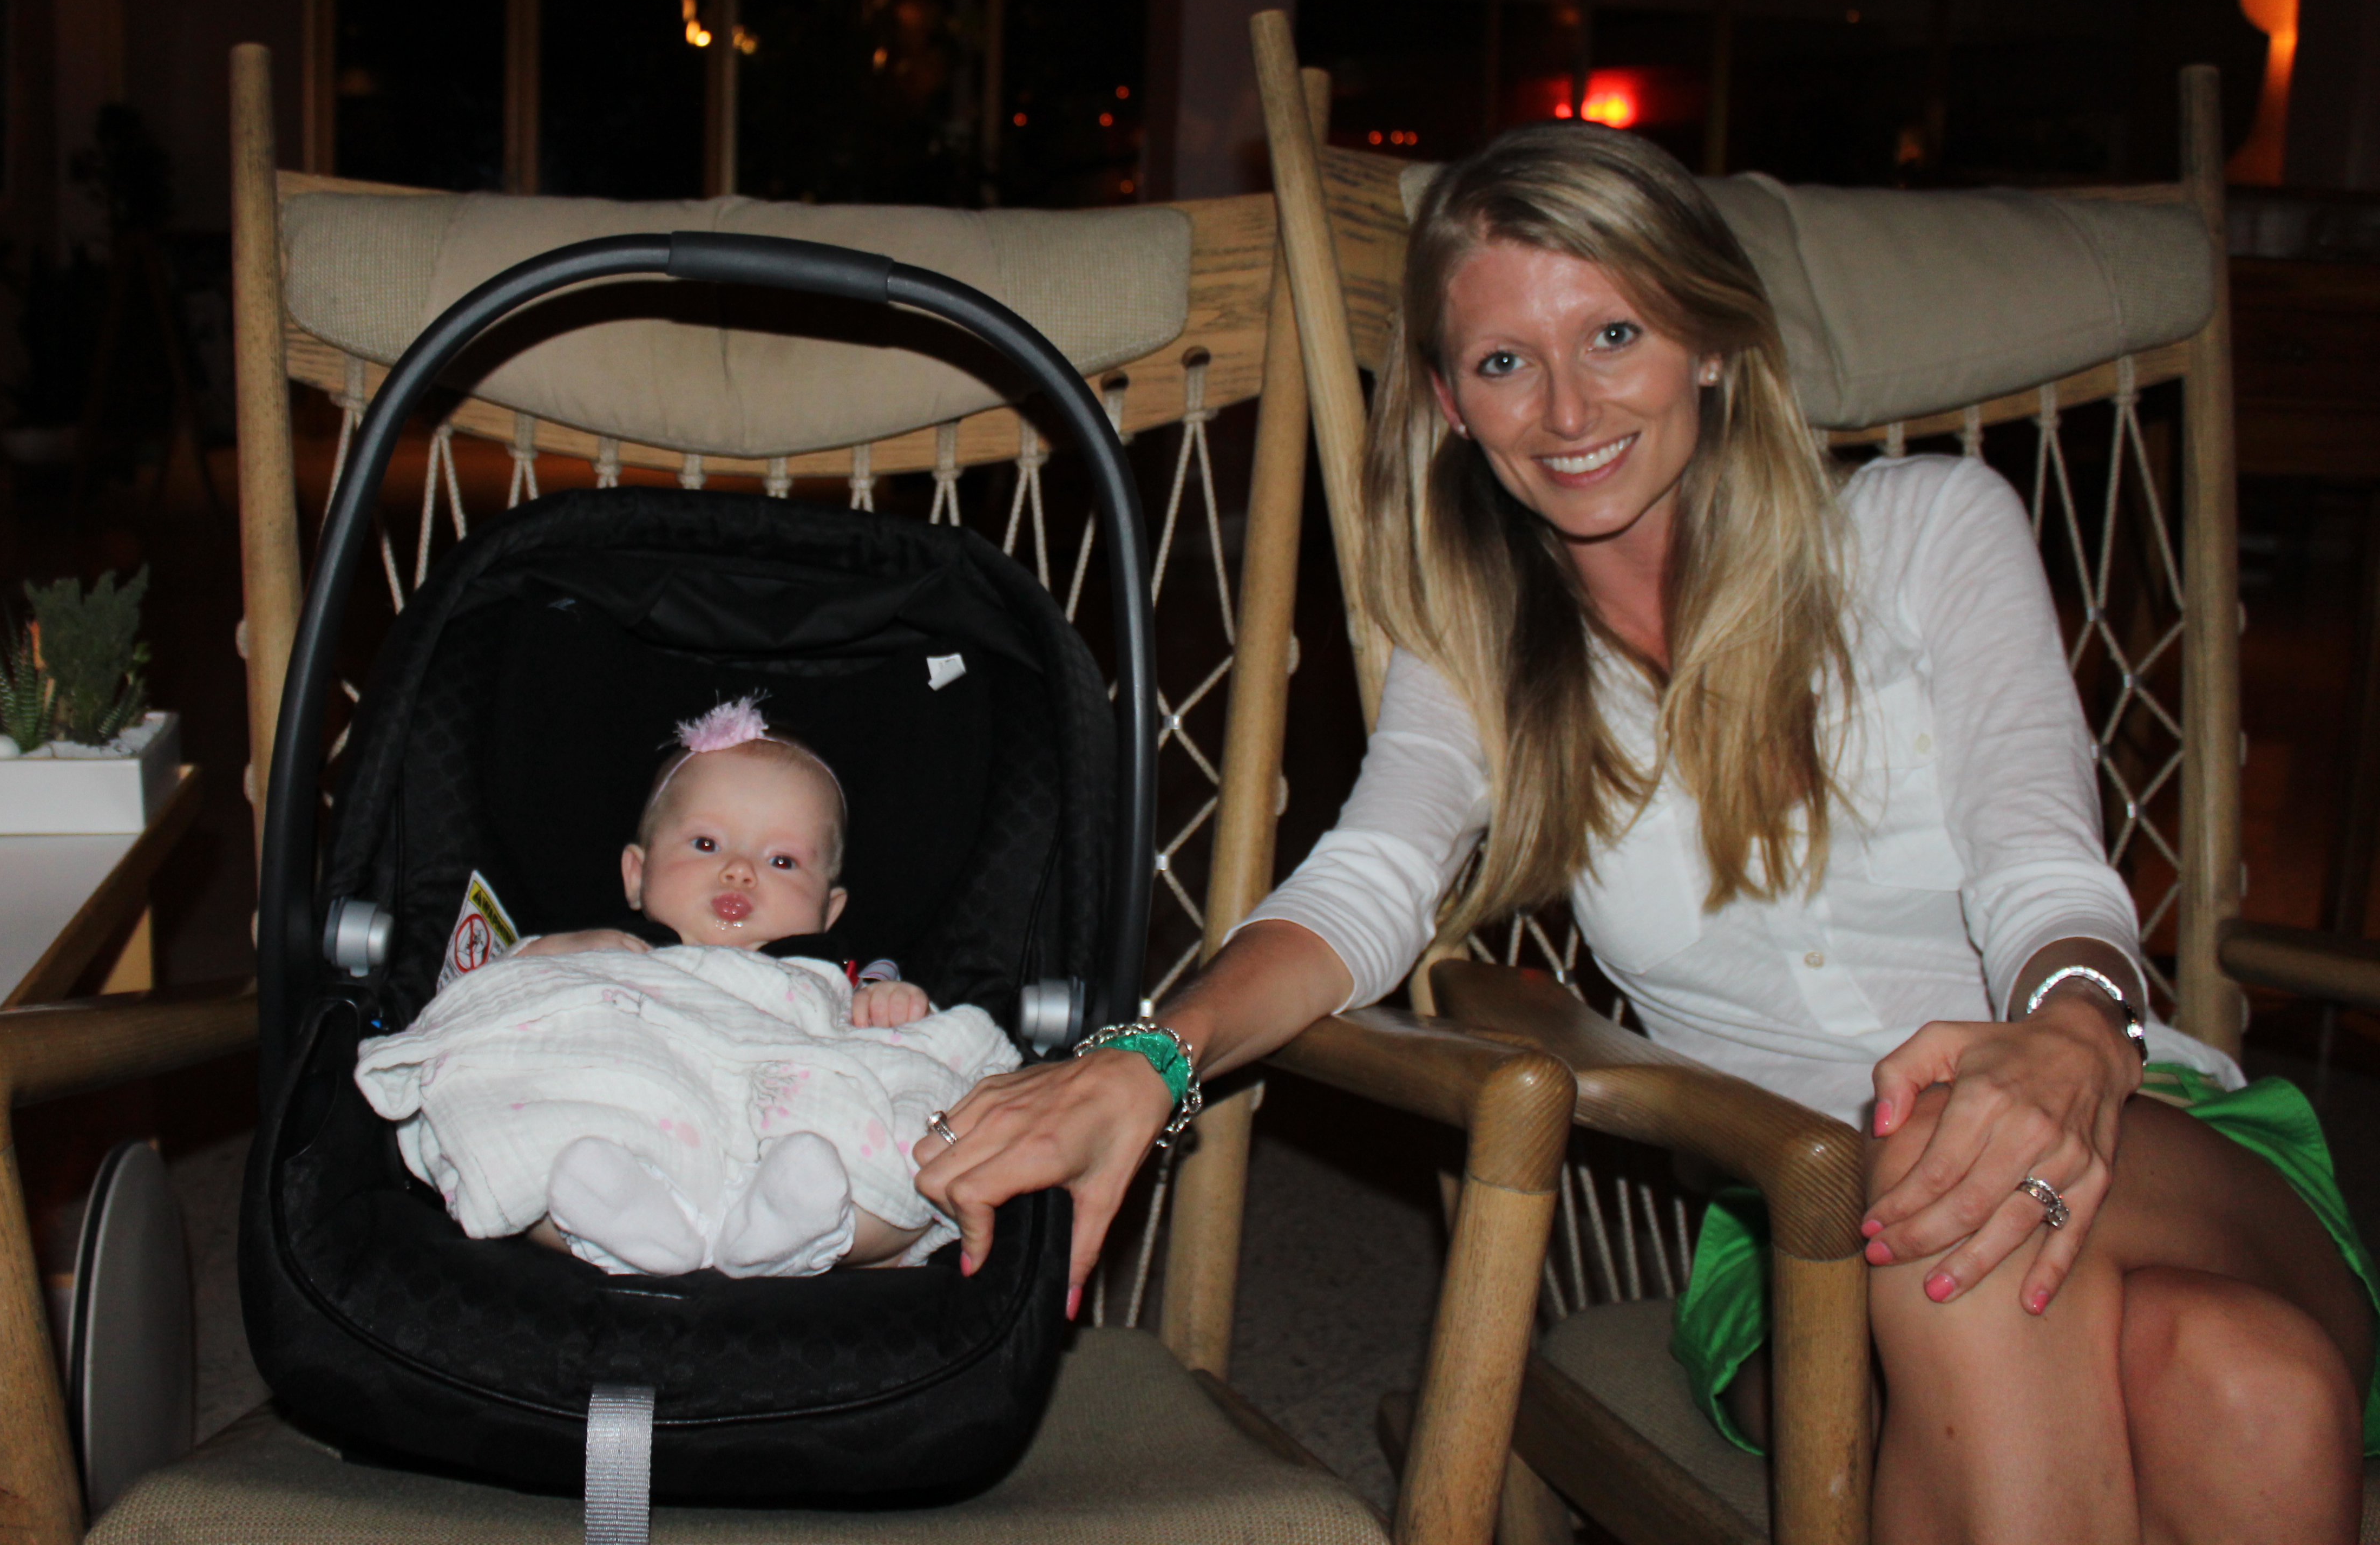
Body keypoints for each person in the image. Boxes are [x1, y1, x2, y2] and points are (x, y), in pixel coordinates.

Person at [912, 123, 2376, 1543]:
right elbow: (1368, 886)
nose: (1567, 410)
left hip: (2133, 1119)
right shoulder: (1476, 646)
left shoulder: (1929, 527)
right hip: (1802, 1207)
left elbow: (2045, 867)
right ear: (1450, 401)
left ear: (1713, 341)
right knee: (2242, 1389)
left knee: (2009, 1226)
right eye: (1505, 361)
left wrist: (2065, 1036)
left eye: (1613, 334)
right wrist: (1151, 1055)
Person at [357, 697, 1017, 1279]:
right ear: (636, 875)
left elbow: (913, 1050)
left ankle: (810, 1229)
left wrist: (891, 1007)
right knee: (530, 1128)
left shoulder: (834, 974)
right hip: (636, 1110)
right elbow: (503, 998)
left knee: (920, 1134)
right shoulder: (613, 947)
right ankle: (616, 1223)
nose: (740, 871)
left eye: (782, 860)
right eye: (705, 844)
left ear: (829, 909)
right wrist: (548, 953)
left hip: (794, 1123)